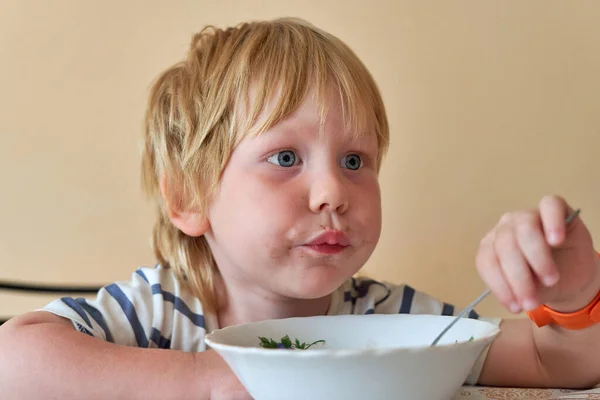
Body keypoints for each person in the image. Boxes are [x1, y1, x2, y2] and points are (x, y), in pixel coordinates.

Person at [0, 17, 598, 400]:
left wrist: (574, 293)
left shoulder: (389, 320)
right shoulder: (155, 313)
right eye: (285, 158)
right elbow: (14, 359)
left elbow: (557, 365)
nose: (332, 192)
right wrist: (210, 384)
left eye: (356, 161)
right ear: (188, 197)